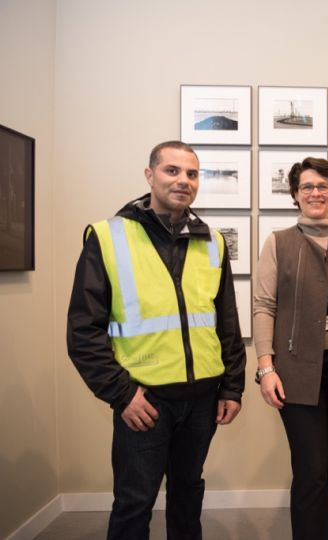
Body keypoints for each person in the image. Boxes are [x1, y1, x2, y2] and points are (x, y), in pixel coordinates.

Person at [66, 140, 246, 539]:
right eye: (172, 171)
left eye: (192, 174)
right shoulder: (108, 236)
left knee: (187, 496)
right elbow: (83, 330)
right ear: (150, 176)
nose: (183, 180)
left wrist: (232, 386)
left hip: (202, 397)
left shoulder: (212, 241)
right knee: (134, 503)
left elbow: (227, 322)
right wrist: (121, 394)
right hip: (144, 399)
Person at [253, 157, 328, 540]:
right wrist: (265, 367)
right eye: (307, 186)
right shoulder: (279, 243)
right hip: (295, 372)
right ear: (295, 195)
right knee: (312, 471)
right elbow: (263, 306)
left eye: (323, 186)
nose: (315, 193)